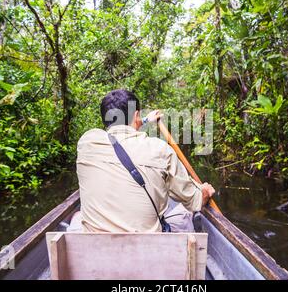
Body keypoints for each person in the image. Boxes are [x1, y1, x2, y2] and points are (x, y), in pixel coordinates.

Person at [71, 89, 215, 232]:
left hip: (94, 249)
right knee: (184, 212)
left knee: (78, 216)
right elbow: (194, 201)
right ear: (136, 115)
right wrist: (204, 192)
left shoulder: (86, 143)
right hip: (147, 249)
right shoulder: (160, 149)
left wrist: (145, 120)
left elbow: (122, 130)